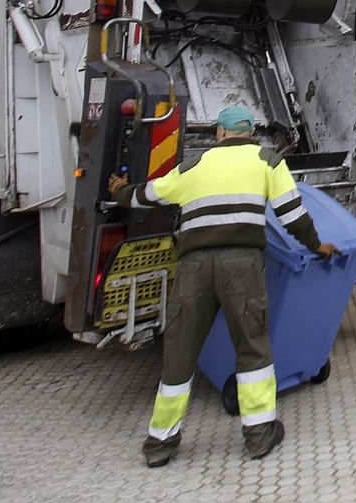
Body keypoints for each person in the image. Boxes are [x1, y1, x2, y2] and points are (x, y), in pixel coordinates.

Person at [110, 105, 336, 468]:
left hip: (193, 267)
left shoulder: (192, 166)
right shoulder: (268, 161)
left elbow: (147, 196)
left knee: (180, 352)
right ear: (251, 133)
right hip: (241, 267)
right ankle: (259, 436)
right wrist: (318, 245)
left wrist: (121, 191)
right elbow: (292, 215)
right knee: (252, 347)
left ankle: (160, 444)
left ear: (219, 133)